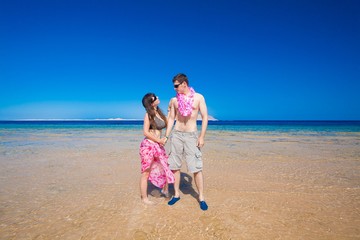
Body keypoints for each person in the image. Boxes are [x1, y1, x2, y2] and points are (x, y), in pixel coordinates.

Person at [165, 73, 209, 211]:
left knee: (196, 167)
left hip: (191, 135)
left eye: (176, 85)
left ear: (184, 83)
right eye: (174, 86)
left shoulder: (198, 97)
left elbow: (205, 117)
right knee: (175, 167)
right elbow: (171, 119)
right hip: (177, 134)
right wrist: (166, 136)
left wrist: (201, 136)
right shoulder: (174, 100)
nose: (175, 88)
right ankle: (177, 194)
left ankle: (201, 197)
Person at [139, 93, 175, 205]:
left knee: (165, 167)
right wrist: (159, 140)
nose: (158, 98)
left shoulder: (159, 113)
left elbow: (169, 121)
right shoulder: (148, 114)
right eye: (156, 98)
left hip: (158, 146)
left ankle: (164, 190)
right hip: (148, 146)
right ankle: (144, 198)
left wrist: (170, 108)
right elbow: (145, 132)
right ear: (151, 102)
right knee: (146, 173)